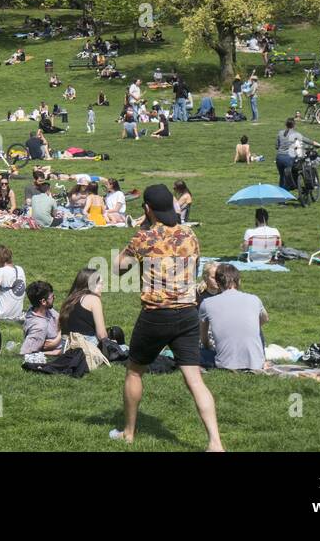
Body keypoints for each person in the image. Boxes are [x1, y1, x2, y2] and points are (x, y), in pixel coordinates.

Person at [111, 184, 223, 451]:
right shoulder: (190, 235)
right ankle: (216, 443)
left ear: (148, 209)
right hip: (187, 313)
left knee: (135, 371)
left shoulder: (144, 238)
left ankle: (128, 433)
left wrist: (138, 236)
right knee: (194, 378)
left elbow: (117, 269)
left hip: (155, 315)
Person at [198, 264, 268, 371]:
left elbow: (203, 338)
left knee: (193, 353)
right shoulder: (254, 299)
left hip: (225, 364)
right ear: (239, 281)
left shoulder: (207, 303)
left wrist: (208, 347)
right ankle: (260, 358)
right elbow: (264, 319)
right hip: (256, 363)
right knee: (259, 331)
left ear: (217, 282)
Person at [60, 267, 110, 343]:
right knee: (124, 349)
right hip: (88, 348)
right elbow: (102, 335)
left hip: (68, 347)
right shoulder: (93, 299)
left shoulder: (70, 300)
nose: (103, 287)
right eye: (101, 283)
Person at [22, 282, 64, 356]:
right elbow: (26, 353)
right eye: (52, 297)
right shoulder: (38, 327)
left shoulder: (46, 310)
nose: (55, 297)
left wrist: (55, 341)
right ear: (43, 302)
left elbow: (63, 321)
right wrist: (58, 352)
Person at [275, 118, 315, 189]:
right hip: (288, 158)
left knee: (282, 176)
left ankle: (281, 195)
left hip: (279, 157)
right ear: (294, 125)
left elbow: (277, 146)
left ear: (286, 125)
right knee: (289, 176)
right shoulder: (295, 134)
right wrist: (318, 144)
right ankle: (290, 189)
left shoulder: (280, 133)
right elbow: (307, 140)